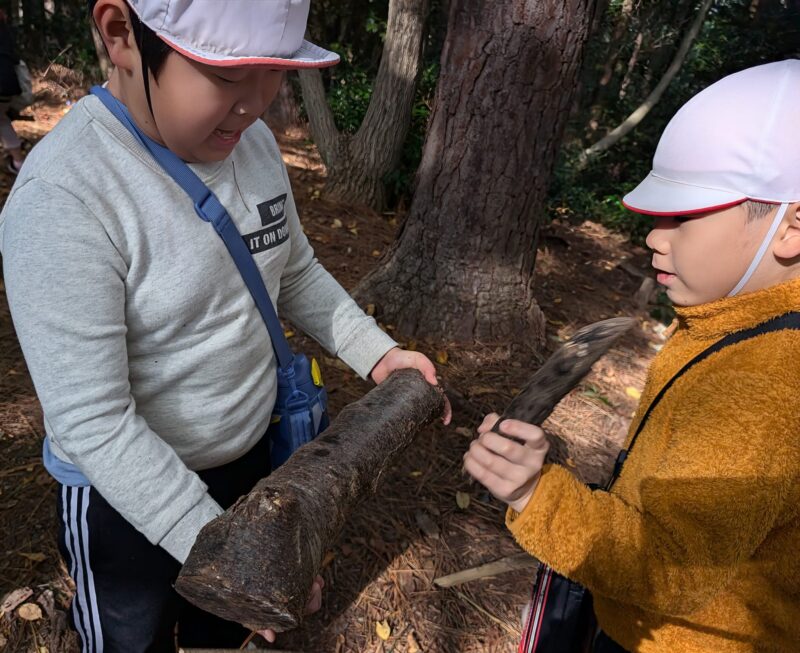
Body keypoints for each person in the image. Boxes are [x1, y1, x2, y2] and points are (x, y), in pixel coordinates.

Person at [0, 1, 449, 651]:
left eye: (275, 73)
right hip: (125, 502)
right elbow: (93, 420)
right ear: (123, 35)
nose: (258, 103)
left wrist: (376, 353)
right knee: (134, 639)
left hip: (247, 466)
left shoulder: (255, 146)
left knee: (221, 632)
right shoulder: (65, 198)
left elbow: (291, 270)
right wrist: (220, 552)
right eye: (230, 77)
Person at [464, 59, 800, 653]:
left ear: (791, 224)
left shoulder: (767, 384)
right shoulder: (736, 319)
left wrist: (538, 496)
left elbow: (675, 567)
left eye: (685, 217)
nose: (653, 236)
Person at [0, 9, 24, 174]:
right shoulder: (5, 28)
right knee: (2, 121)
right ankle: (18, 163)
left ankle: (19, 163)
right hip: (8, 82)